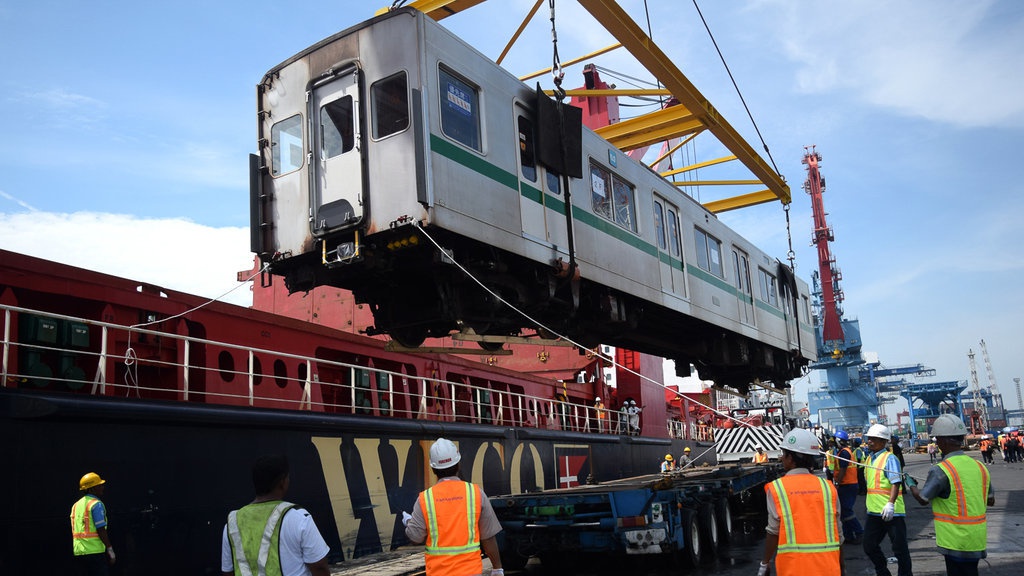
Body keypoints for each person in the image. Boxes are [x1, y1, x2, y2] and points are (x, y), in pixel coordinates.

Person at [908, 414, 995, 576]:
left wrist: (911, 484)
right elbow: (991, 501)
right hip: (976, 539)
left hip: (954, 540)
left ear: (944, 441)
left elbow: (923, 499)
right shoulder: (980, 467)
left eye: (938, 439)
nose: (937, 442)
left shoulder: (941, 469)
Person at [404, 438, 504, 576]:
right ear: (458, 464)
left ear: (433, 468)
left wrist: (408, 522)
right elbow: (488, 537)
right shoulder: (475, 493)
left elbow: (415, 537)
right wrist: (497, 568)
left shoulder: (425, 498)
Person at [222, 455, 330, 576]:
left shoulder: (233, 523)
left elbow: (228, 571)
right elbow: (320, 567)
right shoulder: (298, 518)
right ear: (283, 482)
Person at [759, 428, 843, 576]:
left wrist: (765, 563)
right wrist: (842, 565)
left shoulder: (777, 488)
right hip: (828, 568)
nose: (781, 458)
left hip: (793, 569)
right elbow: (838, 533)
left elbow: (773, 532)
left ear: (791, 459)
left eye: (784, 454)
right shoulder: (827, 487)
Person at [862, 424, 912, 576]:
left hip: (892, 512)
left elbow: (895, 483)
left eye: (874, 439)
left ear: (883, 441)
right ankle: (883, 571)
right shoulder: (869, 458)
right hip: (874, 512)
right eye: (869, 439)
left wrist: (890, 504)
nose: (869, 442)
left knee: (900, 548)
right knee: (869, 546)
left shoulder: (889, 458)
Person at [71, 472, 115, 576]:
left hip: (79, 552)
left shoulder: (76, 505)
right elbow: (101, 529)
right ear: (92, 488)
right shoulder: (96, 504)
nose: (102, 487)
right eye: (99, 485)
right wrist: (110, 549)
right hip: (95, 553)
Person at [832, 430, 864, 544]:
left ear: (839, 441)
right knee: (843, 511)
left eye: (834, 440)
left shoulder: (844, 453)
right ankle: (848, 535)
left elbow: (843, 470)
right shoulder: (843, 452)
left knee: (846, 510)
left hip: (847, 485)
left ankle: (859, 532)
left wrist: (837, 483)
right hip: (848, 484)